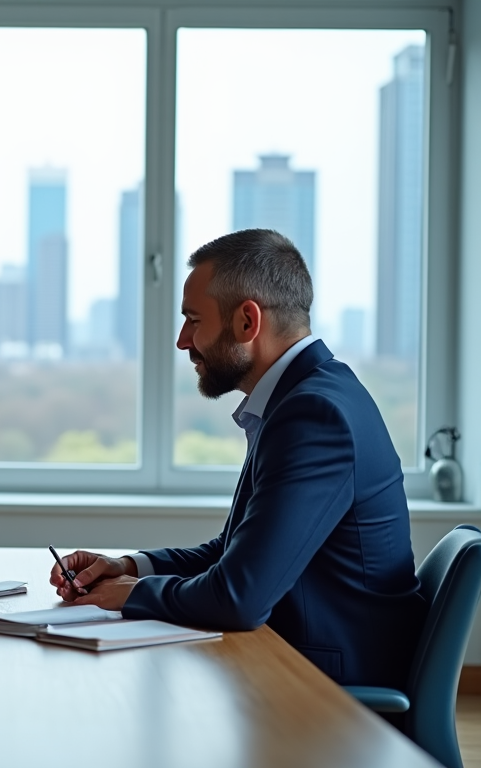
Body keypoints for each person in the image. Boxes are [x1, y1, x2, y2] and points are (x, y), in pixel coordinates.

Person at [51, 229, 426, 688]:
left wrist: (128, 595)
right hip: (297, 663)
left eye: (193, 320)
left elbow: (238, 598)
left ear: (248, 322)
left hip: (329, 692)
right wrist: (130, 567)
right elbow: (233, 555)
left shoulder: (314, 415)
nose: (182, 341)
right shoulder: (304, 397)